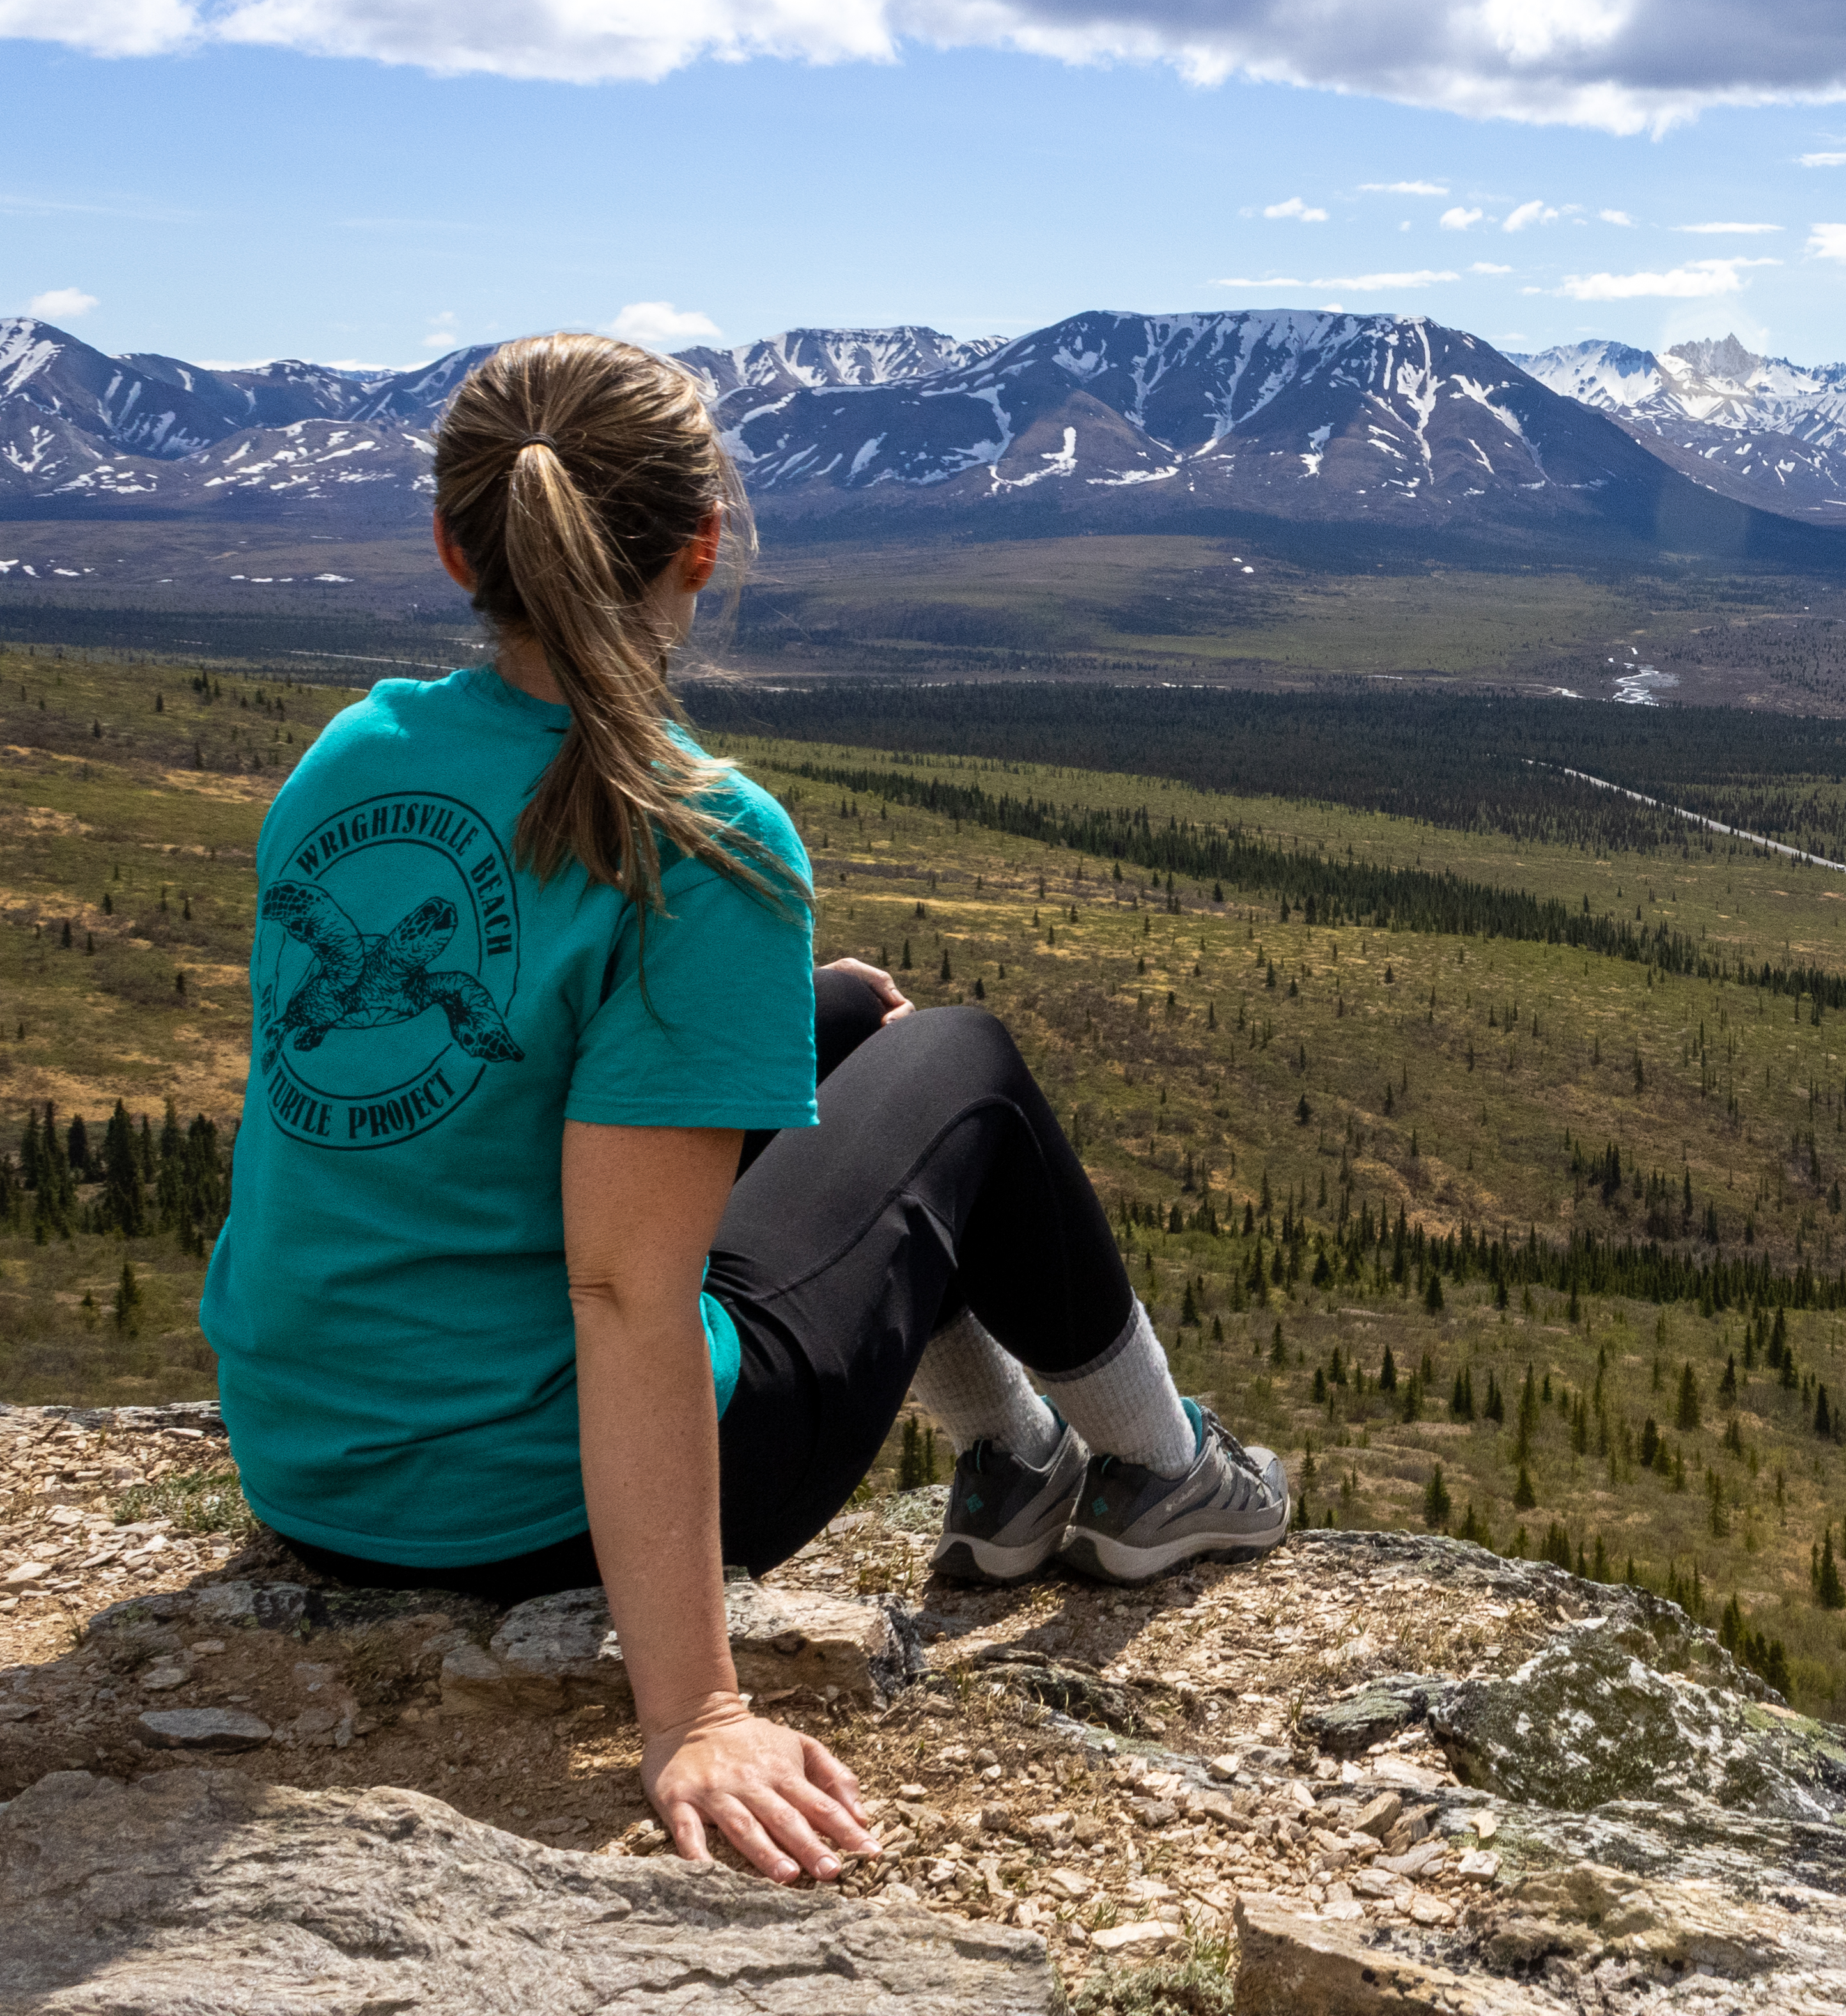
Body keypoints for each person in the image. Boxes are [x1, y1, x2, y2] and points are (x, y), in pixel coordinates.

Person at [198, 330, 1285, 1885]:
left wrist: (790, 1004)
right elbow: (630, 1291)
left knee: (848, 1019)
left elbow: (472, 1090)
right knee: (960, 1061)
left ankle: (1019, 1469)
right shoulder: (698, 831)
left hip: (316, 1468)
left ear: (454, 546)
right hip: (533, 1496)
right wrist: (695, 1707)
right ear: (703, 546)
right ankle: (1158, 1473)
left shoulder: (349, 757)